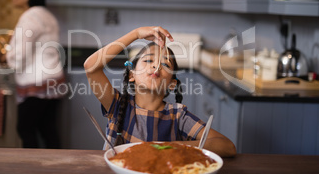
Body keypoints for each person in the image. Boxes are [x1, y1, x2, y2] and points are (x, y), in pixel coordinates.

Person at [84, 26, 237, 157]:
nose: (156, 66)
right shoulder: (117, 104)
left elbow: (227, 146)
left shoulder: (178, 116)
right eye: (148, 60)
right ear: (132, 75)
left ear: (172, 84)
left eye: (165, 64)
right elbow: (91, 66)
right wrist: (136, 34)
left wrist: (176, 146)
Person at [6, 0, 66, 149]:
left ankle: (31, 171)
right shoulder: (48, 16)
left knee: (25, 129)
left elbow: (20, 55)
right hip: (54, 79)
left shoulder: (29, 18)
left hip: (36, 82)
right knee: (48, 131)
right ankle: (55, 170)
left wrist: (7, 57)